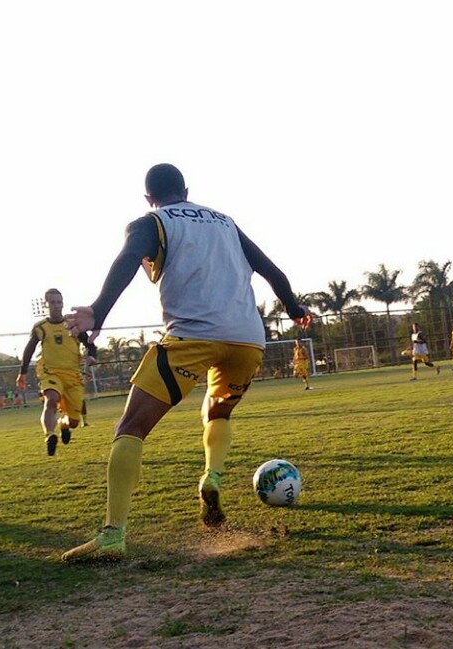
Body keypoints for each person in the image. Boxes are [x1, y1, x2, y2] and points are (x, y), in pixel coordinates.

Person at [61, 163, 311, 560]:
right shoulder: (225, 222)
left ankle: (112, 535)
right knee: (218, 411)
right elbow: (272, 271)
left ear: (148, 197)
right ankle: (211, 476)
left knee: (131, 427)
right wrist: (295, 308)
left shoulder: (151, 221)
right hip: (248, 341)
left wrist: (98, 311)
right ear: (187, 190)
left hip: (193, 336)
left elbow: (128, 259)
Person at [15, 288, 97, 457]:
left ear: (62, 303)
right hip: (50, 372)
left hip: (73, 375)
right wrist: (22, 372)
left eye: (59, 302)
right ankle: (50, 435)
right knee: (51, 400)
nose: (56, 306)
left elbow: (90, 344)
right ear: (46, 305)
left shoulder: (72, 324)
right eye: (52, 302)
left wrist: (91, 357)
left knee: (74, 422)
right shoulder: (41, 327)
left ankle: (63, 424)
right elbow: (29, 349)